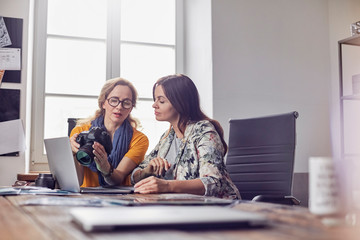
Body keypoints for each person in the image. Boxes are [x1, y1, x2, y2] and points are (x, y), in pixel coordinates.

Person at [131, 74, 241, 199]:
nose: (154, 105)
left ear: (180, 102)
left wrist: (167, 186)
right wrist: (148, 170)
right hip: (181, 207)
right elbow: (134, 176)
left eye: (161, 101)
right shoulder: (167, 138)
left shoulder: (204, 131)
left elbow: (214, 182)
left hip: (219, 208)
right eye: (155, 99)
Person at [70, 77, 149, 187]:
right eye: (114, 100)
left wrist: (106, 168)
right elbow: (75, 181)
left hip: (122, 199)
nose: (119, 107)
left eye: (126, 102)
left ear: (131, 108)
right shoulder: (80, 132)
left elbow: (118, 179)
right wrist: (72, 153)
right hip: (86, 197)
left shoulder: (139, 140)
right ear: (103, 103)